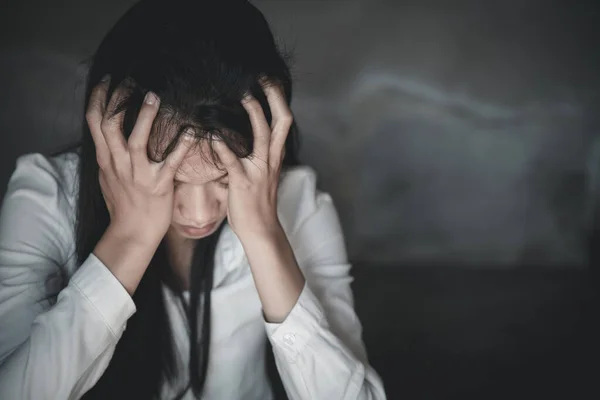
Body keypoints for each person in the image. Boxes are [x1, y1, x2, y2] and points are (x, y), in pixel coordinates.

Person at [0, 0, 386, 399]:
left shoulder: (297, 201)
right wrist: (129, 240)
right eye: (171, 182)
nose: (200, 214)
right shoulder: (48, 199)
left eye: (224, 179)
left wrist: (264, 237)